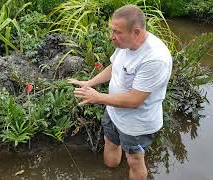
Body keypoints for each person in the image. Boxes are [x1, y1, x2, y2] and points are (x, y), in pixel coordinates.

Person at [68, 4, 172, 180]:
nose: (112, 37)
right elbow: (114, 67)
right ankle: (109, 175)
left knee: (134, 160)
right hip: (114, 112)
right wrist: (89, 82)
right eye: (112, 31)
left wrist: (98, 97)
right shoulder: (125, 43)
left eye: (117, 32)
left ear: (136, 32)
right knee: (110, 142)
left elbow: (134, 100)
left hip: (137, 124)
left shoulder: (155, 59)